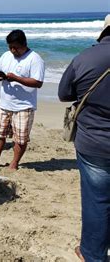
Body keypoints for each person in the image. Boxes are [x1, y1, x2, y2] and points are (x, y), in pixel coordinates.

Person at [58, 14, 110, 262]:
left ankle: (92, 254)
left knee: (97, 201)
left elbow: (64, 94)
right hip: (95, 142)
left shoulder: (84, 57)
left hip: (94, 142)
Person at [0, 29, 45, 170]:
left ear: (24, 44)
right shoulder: (6, 56)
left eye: (16, 47)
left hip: (24, 106)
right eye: (10, 47)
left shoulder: (35, 59)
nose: (13, 50)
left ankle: (14, 163)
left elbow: (38, 82)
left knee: (20, 138)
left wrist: (17, 79)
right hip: (4, 103)